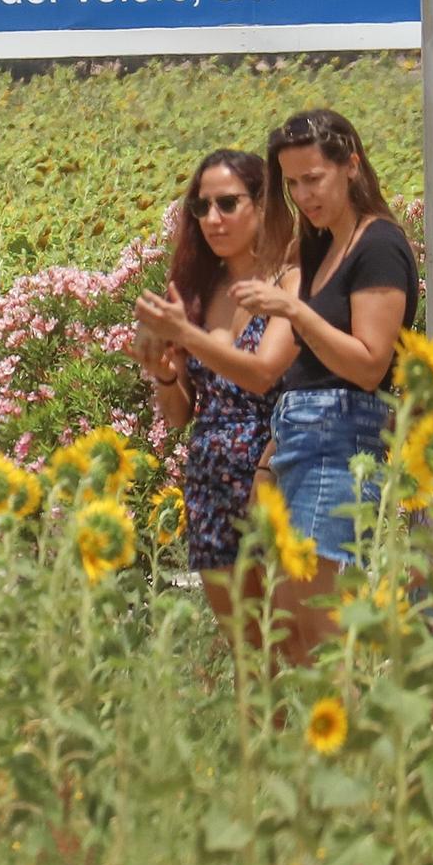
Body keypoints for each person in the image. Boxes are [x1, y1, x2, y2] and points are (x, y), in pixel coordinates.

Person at [227, 109, 417, 665]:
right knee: (288, 627)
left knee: (322, 632)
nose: (303, 195)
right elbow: (286, 369)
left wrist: (294, 309)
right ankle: (313, 747)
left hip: (342, 440)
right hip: (299, 439)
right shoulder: (319, 247)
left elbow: (368, 364)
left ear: (351, 166)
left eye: (314, 178)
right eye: (291, 182)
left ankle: (350, 747)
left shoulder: (377, 245)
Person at [131, 150, 300, 648]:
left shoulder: (287, 282)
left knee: (291, 640)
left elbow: (262, 376)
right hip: (210, 477)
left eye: (227, 203)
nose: (213, 219)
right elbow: (182, 412)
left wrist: (184, 332)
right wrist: (162, 374)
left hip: (276, 472)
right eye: (201, 207)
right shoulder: (193, 289)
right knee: (244, 649)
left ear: (262, 204)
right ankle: (253, 729)